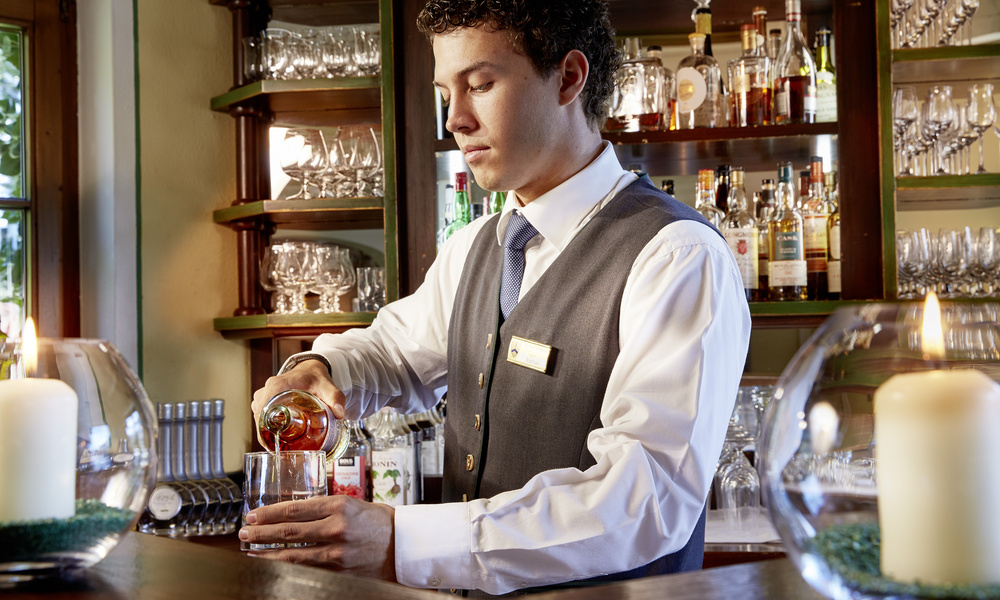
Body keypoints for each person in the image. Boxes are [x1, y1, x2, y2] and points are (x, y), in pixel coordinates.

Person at [240, 0, 751, 596]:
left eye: (480, 84)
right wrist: (318, 369)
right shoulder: (477, 244)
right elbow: (396, 351)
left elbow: (647, 500)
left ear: (568, 77)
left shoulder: (677, 256)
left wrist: (401, 542)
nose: (454, 118)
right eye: (444, 92)